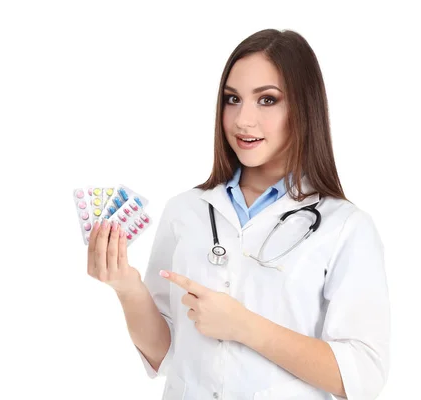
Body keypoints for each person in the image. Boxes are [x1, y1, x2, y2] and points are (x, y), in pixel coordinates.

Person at [86, 28, 390, 400]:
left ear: (304, 107)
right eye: (233, 99)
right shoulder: (186, 210)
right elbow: (165, 355)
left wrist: (245, 326)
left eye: (267, 100)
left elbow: (362, 376)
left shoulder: (346, 227)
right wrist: (126, 287)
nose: (243, 120)